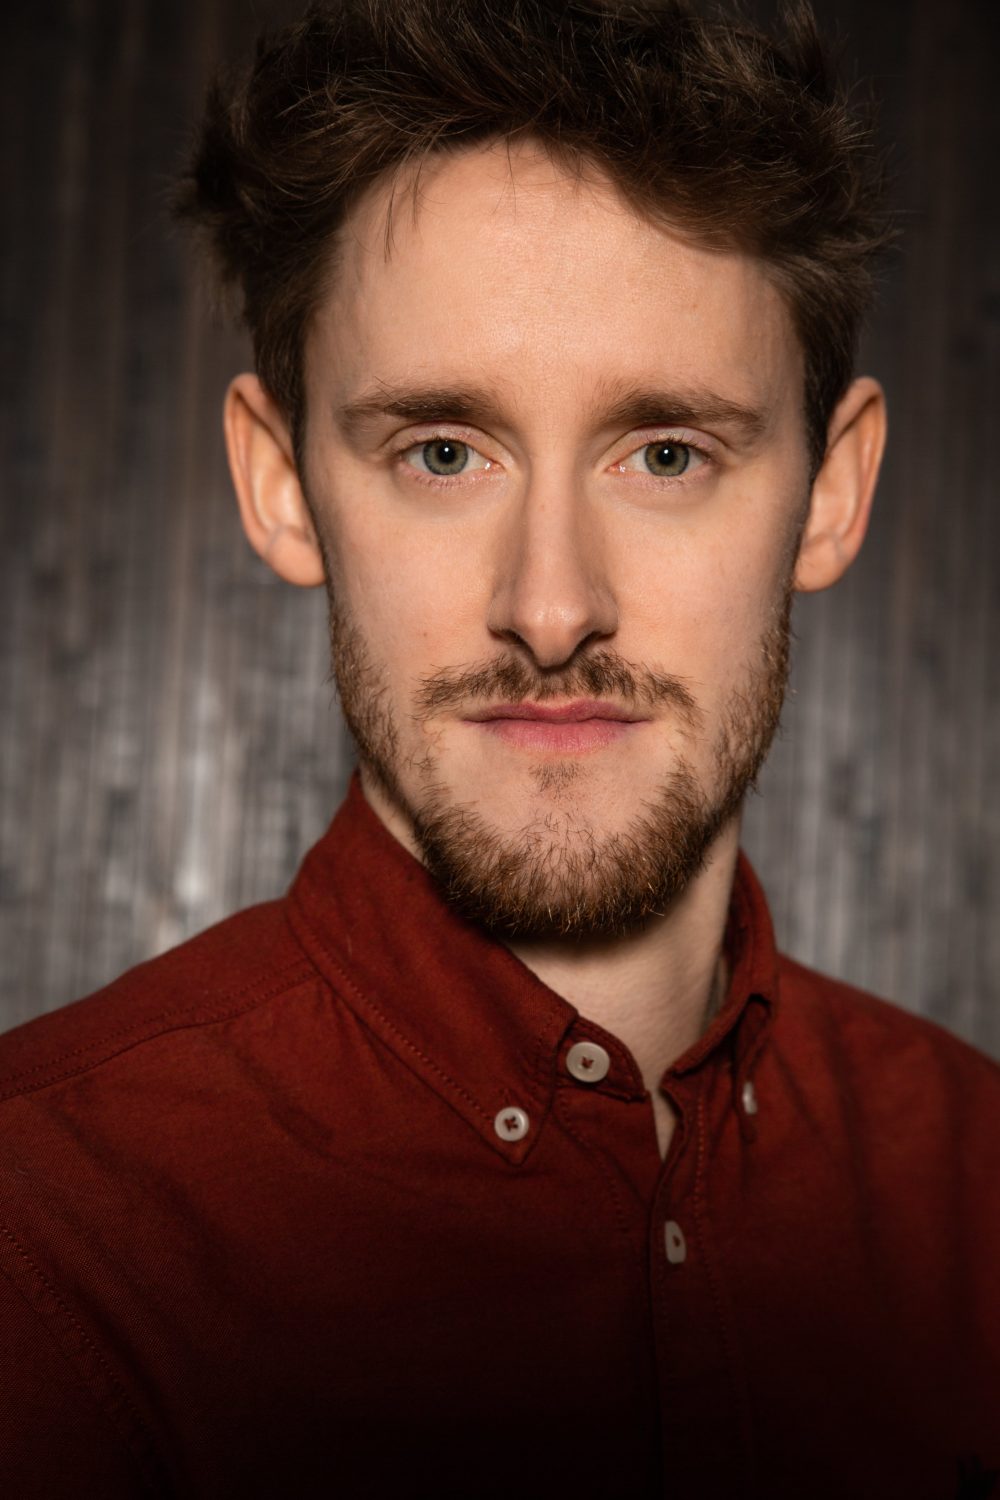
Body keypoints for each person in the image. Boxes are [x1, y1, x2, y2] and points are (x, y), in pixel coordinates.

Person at [1, 0, 997, 1495]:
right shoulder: (40, 1233)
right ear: (281, 485)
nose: (550, 606)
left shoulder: (979, 1188)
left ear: (834, 492)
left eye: (668, 453)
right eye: (443, 453)